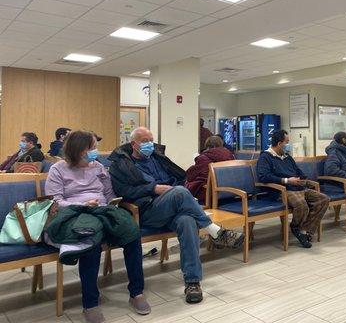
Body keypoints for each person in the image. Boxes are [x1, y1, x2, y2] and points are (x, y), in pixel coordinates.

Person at [108, 127, 245, 304]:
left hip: (172, 205)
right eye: (145, 141)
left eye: (151, 139)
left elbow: (178, 178)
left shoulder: (157, 158)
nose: (150, 144)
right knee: (180, 193)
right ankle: (214, 231)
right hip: (148, 210)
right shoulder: (121, 164)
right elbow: (122, 191)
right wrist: (153, 188)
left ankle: (192, 282)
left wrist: (182, 192)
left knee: (188, 221)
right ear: (133, 144)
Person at [44, 131, 150, 323]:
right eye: (91, 148)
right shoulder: (58, 169)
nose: (95, 152)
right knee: (90, 243)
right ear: (77, 149)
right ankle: (90, 303)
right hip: (76, 214)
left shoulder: (99, 167)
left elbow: (109, 195)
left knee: (132, 235)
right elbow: (55, 201)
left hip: (102, 211)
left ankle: (137, 292)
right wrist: (83, 205)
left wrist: (112, 204)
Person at [256, 129, 329, 248]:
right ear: (279, 144)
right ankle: (296, 227)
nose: (288, 144)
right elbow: (263, 176)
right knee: (302, 205)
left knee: (323, 199)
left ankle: (305, 230)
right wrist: (286, 180)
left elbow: (297, 170)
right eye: (287, 142)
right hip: (282, 190)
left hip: (297, 187)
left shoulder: (287, 157)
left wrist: (302, 178)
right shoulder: (265, 157)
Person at [185, 136, 235, 204]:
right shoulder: (230, 156)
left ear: (208, 146)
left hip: (210, 191)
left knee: (186, 184)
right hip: (230, 190)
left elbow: (190, 175)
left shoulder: (204, 157)